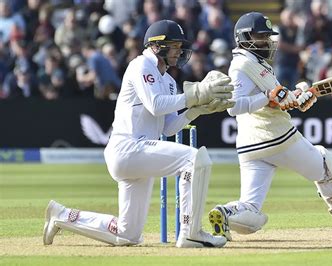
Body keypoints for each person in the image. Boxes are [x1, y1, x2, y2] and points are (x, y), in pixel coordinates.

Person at [43, 20, 235, 248]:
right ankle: (191, 232)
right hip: (128, 147)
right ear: (157, 46)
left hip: (139, 154)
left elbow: (168, 127)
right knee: (194, 160)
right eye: (174, 45)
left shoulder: (170, 81)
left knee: (128, 235)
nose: (179, 51)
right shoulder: (141, 65)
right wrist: (195, 95)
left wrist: (196, 110)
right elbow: (155, 104)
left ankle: (61, 215)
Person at [207, 12, 332, 241]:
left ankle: (226, 212)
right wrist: (268, 96)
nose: (265, 41)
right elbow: (234, 107)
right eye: (259, 36)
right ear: (243, 37)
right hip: (276, 137)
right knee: (326, 166)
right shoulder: (241, 65)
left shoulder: (257, 64)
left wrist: (298, 96)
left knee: (251, 207)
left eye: (267, 36)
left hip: (250, 146)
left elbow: (276, 99)